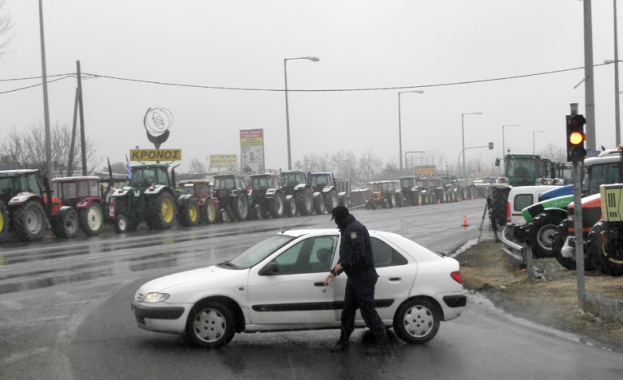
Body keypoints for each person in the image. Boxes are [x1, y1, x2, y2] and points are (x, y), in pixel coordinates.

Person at [324, 205, 391, 356]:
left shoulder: (355, 230)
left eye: (335, 219)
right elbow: (346, 256)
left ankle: (383, 346)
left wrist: (341, 266)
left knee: (368, 312)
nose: (335, 223)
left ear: (340, 217)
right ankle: (343, 342)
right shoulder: (348, 229)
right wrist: (335, 271)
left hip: (364, 277)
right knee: (347, 312)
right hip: (354, 277)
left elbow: (357, 254)